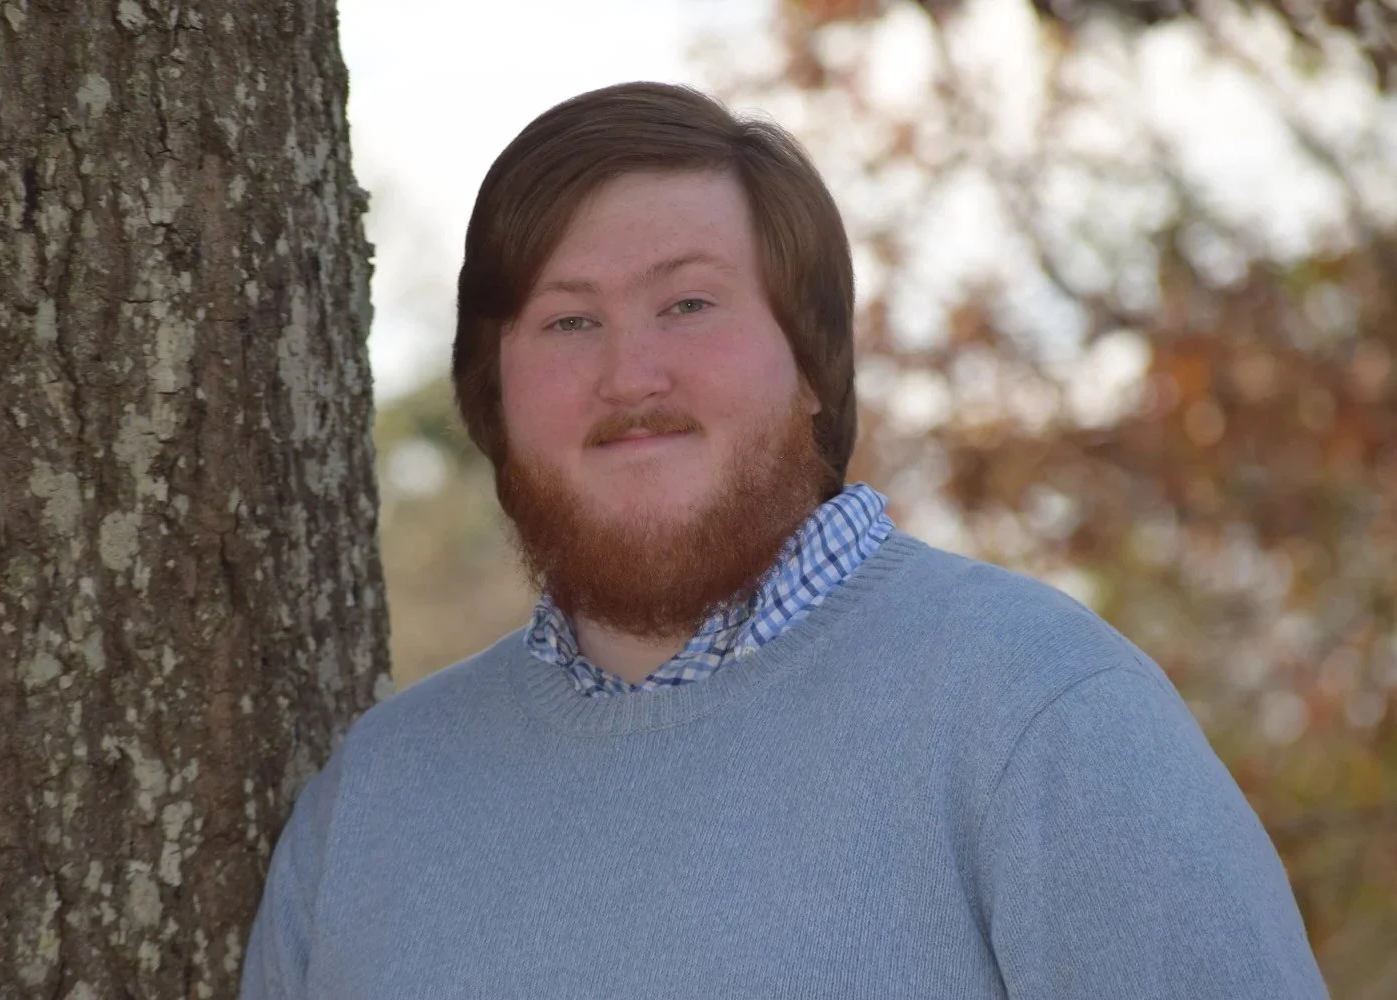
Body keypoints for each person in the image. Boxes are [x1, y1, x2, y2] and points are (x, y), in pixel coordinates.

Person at [240, 82, 1328, 999]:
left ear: (811, 364)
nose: (631, 375)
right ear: (495, 397)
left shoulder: (1043, 714)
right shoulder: (373, 806)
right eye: (569, 320)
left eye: (689, 304)